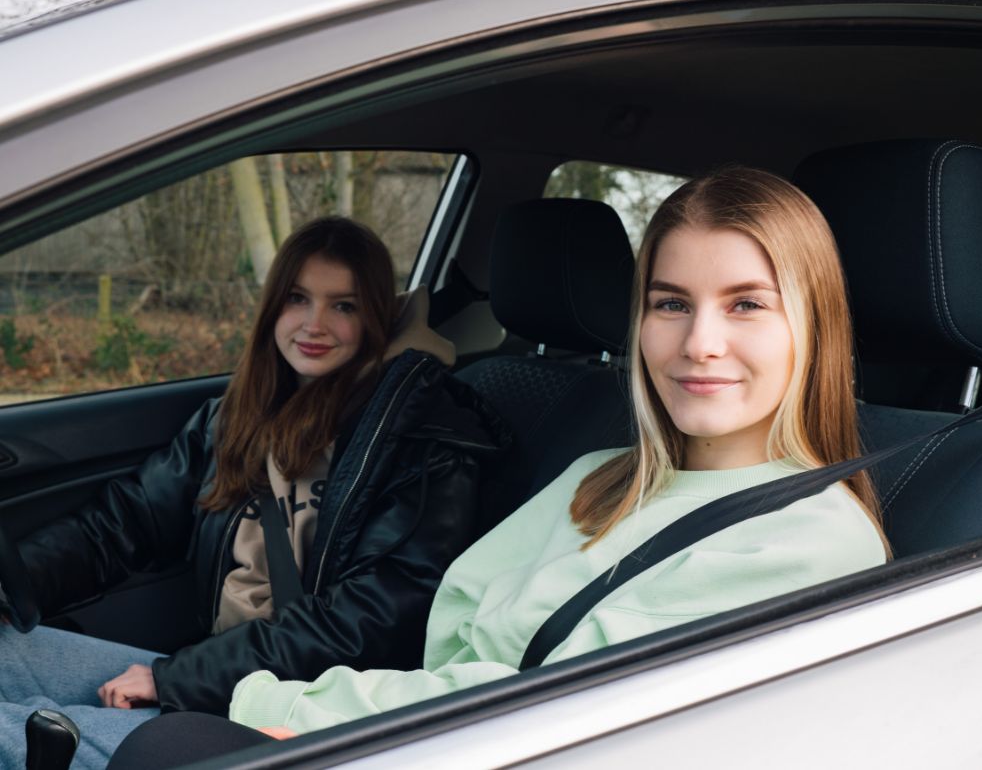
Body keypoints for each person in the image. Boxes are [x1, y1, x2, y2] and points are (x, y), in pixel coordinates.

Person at [109, 165, 891, 766]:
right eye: (671, 303)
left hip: (453, 739)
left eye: (746, 304)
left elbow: (542, 706)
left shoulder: (810, 541)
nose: (699, 343)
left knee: (156, 746)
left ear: (814, 325)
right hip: (412, 722)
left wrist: (276, 705)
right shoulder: (598, 475)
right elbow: (458, 651)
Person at [0, 216, 507, 769]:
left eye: (344, 305)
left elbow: (372, 618)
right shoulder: (238, 415)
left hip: (298, 711)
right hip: (215, 675)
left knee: (15, 733)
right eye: (297, 298)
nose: (314, 324)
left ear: (376, 317)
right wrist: (13, 584)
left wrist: (177, 679)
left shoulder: (425, 443)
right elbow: (126, 522)